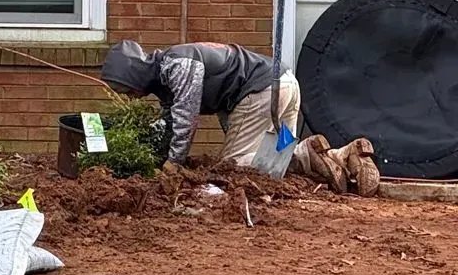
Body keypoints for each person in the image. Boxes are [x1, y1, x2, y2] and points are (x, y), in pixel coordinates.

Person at [99, 38, 380, 192]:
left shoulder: (177, 65)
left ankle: (318, 158)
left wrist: (173, 162)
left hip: (262, 93)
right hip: (286, 85)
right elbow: (173, 118)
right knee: (279, 156)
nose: (128, 97)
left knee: (234, 165)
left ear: (132, 75)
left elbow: (185, 119)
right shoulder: (168, 71)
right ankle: (341, 156)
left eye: (124, 89)